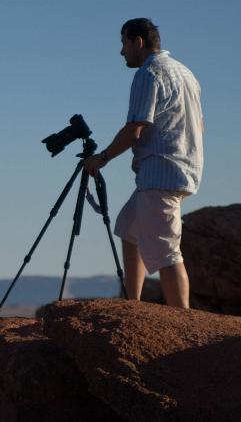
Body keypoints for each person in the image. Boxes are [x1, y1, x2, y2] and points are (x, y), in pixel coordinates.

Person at [84, 18, 204, 308]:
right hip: (180, 165)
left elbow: (136, 126)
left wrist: (102, 159)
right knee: (129, 227)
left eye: (124, 43)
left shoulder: (149, 73)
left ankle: (182, 319)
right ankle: (133, 305)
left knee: (166, 250)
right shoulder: (184, 72)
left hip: (160, 171)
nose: (122, 52)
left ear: (138, 42)